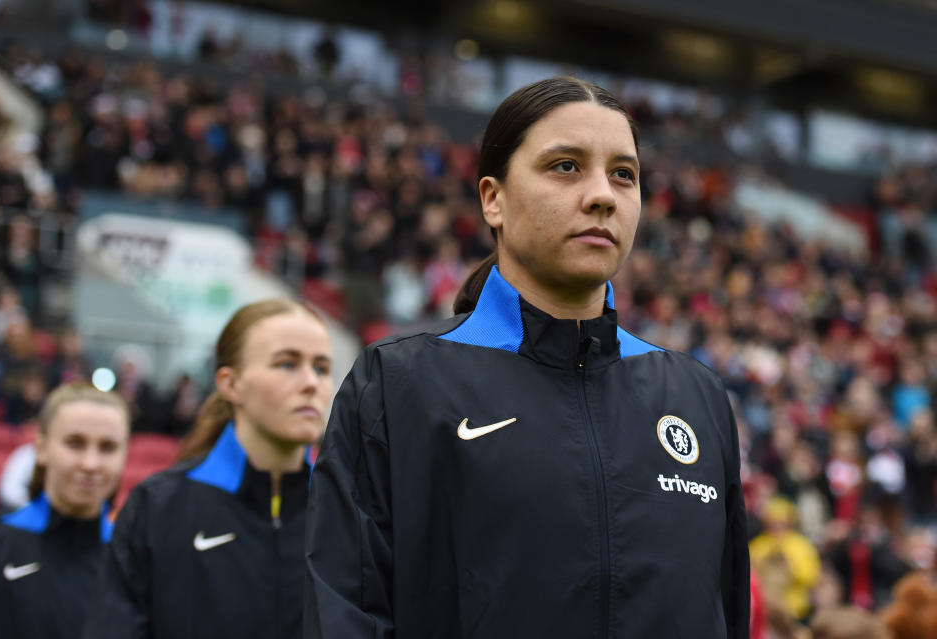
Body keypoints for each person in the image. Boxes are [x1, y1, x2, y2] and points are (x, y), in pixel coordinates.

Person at [305, 77, 750, 638]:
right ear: (494, 199)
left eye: (624, 174)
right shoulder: (398, 383)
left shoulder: (696, 395)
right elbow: (347, 611)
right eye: (565, 166)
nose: (602, 195)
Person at [83, 298, 333, 639]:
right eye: (287, 364)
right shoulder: (157, 508)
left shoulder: (347, 513)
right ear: (230, 384)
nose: (311, 383)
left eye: (321, 368)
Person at [0, 382, 130, 639]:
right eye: (74, 443)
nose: (91, 464)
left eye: (107, 447)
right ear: (42, 449)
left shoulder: (135, 561)